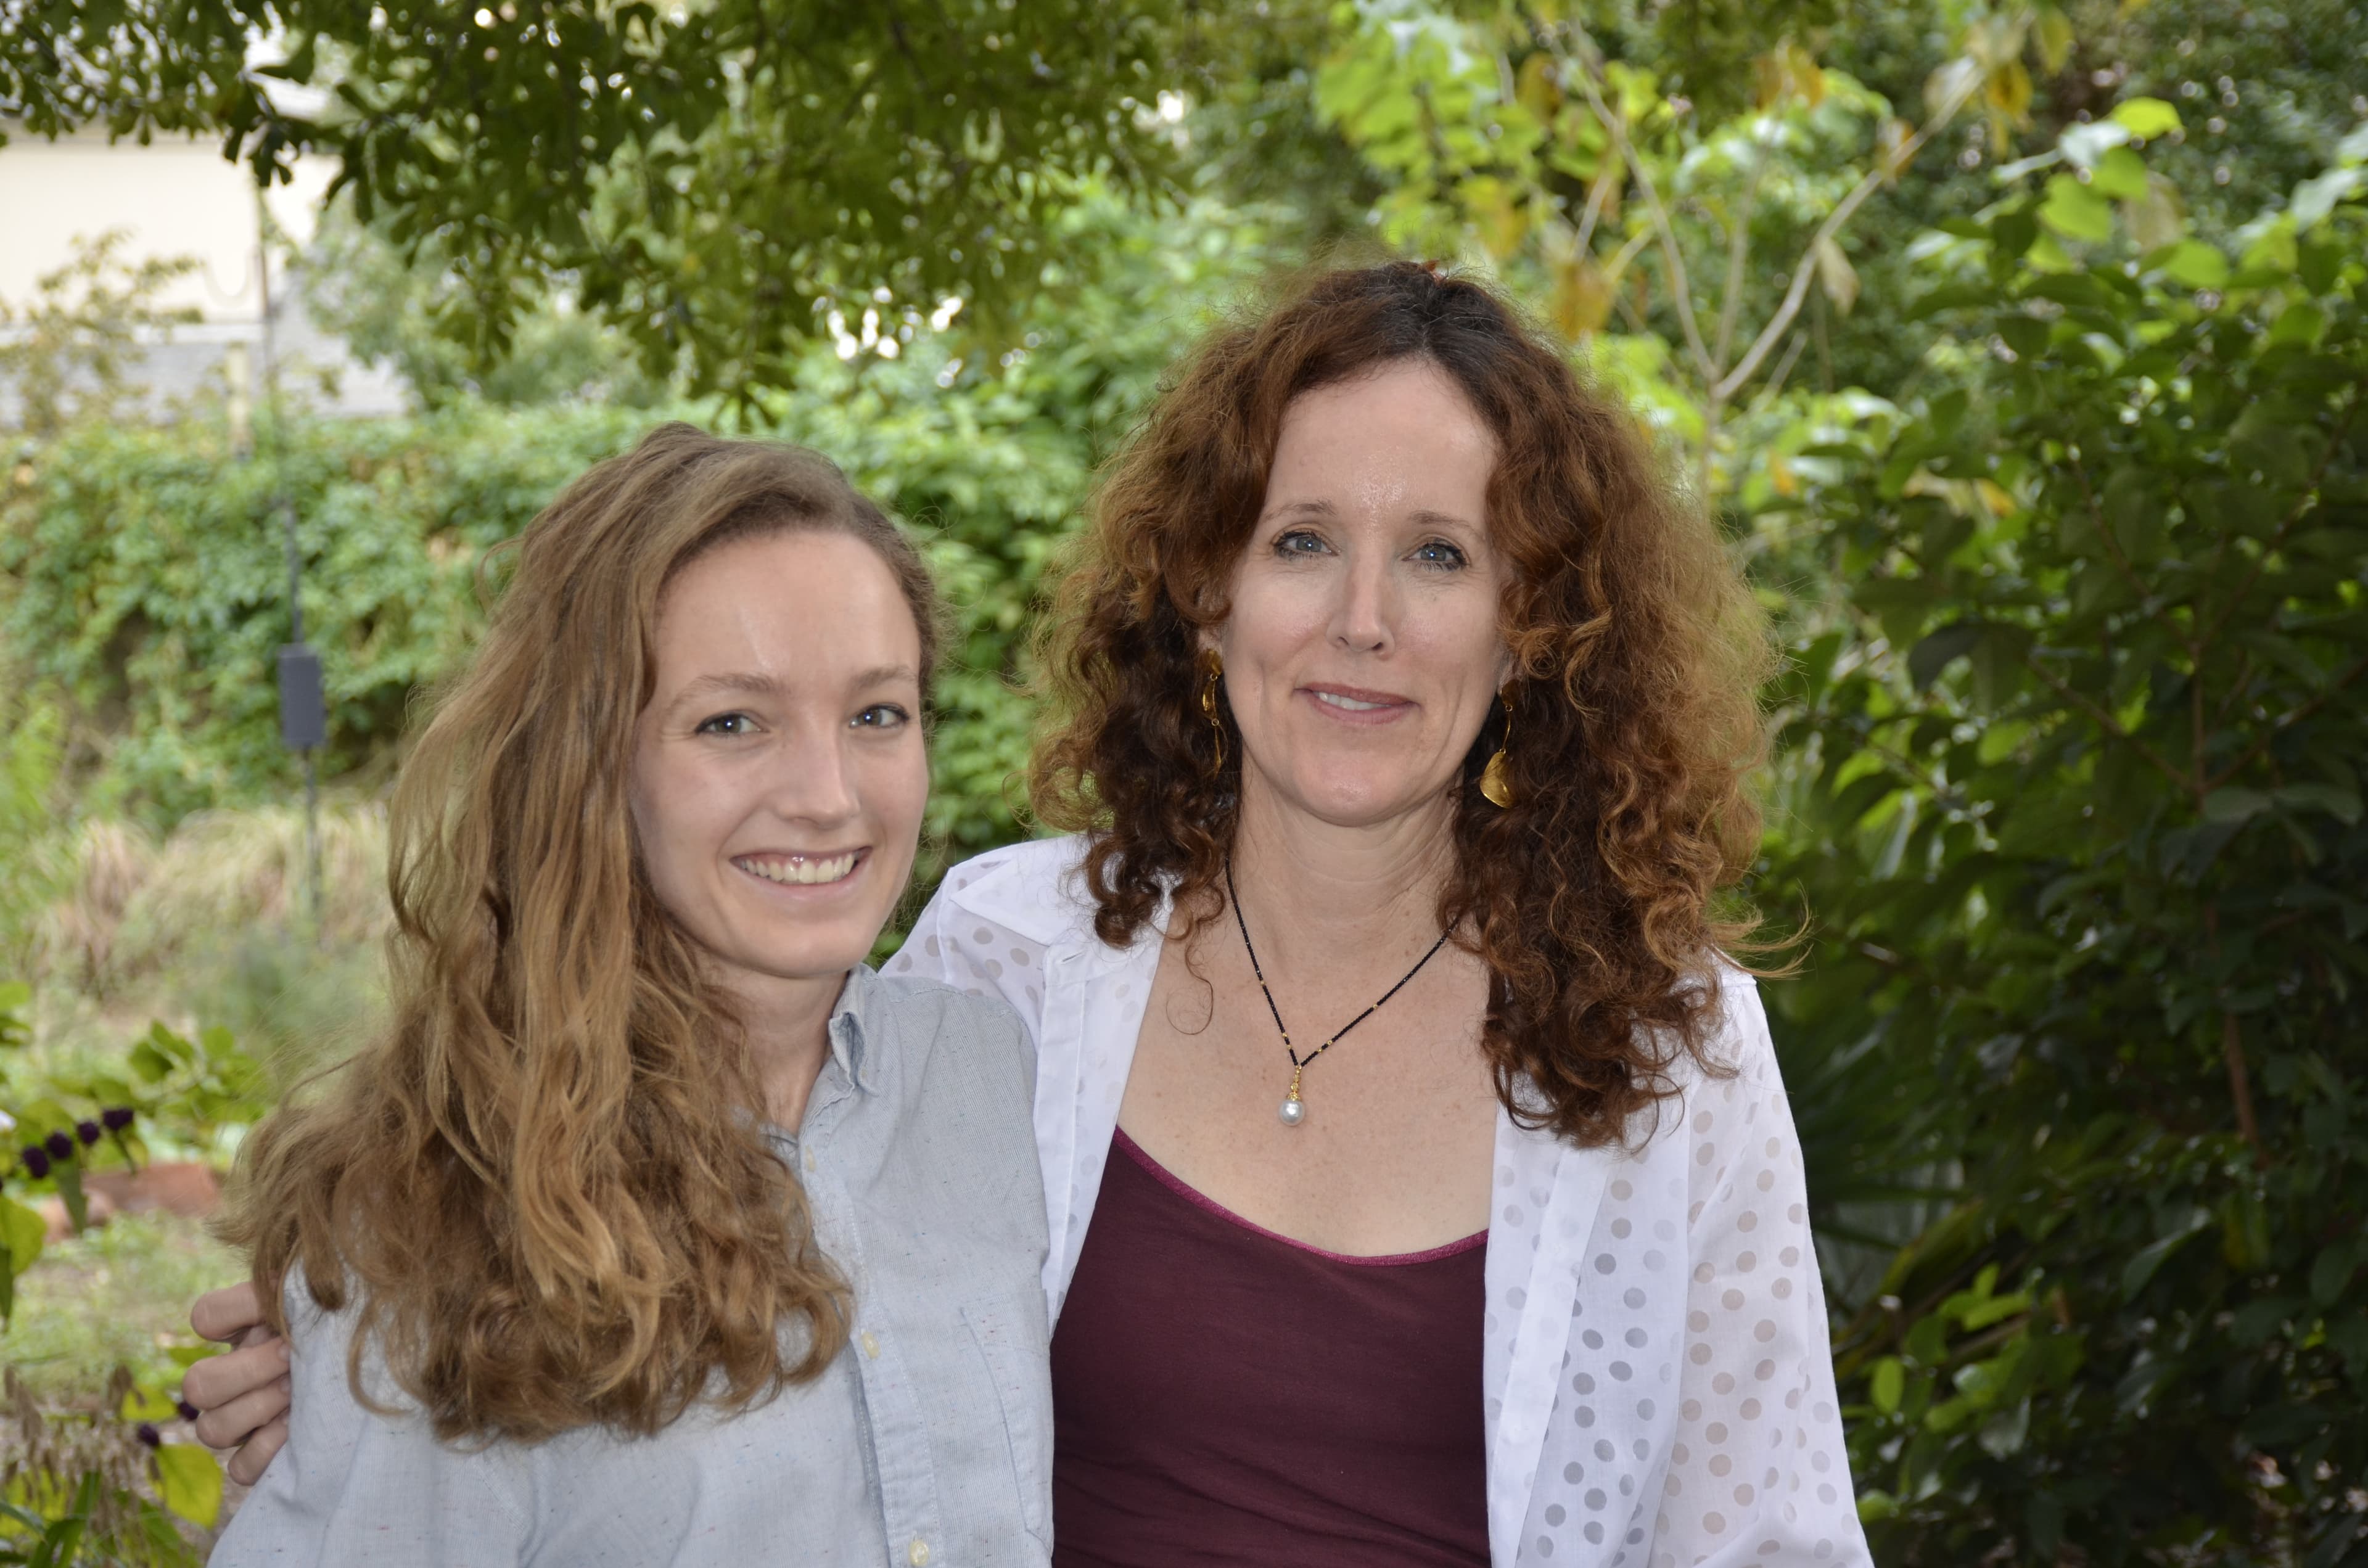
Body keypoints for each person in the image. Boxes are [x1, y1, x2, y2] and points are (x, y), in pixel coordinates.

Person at [191, 265, 1868, 1566]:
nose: (1363, 621)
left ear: (1536, 623)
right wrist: (368, 1395)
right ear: (1206, 589)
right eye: (1302, 541)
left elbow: (1773, 1537)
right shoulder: (1011, 966)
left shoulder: (1675, 1054)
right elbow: (733, 1269)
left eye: (1442, 556)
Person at [204, 425, 1053, 1567]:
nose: (828, 794)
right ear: (590, 764)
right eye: (731, 722)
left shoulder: (986, 1070)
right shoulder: (428, 1210)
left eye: (876, 714)